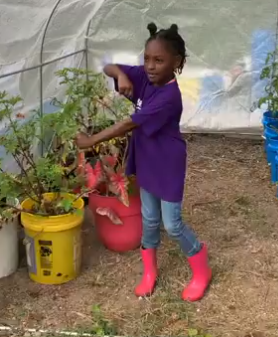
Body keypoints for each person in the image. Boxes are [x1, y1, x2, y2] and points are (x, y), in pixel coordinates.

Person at [75, 22, 211, 302]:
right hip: (147, 160)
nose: (150, 66)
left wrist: (91, 141)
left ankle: (200, 266)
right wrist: (122, 77)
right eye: (146, 58)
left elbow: (128, 124)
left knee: (172, 225)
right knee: (149, 220)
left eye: (159, 60)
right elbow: (109, 66)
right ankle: (149, 273)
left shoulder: (169, 96)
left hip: (168, 164)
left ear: (177, 63)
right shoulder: (146, 77)